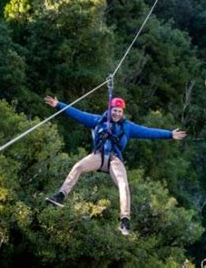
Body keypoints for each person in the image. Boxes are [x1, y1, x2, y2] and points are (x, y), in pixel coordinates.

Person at [44, 95, 186, 235]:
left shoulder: (128, 127)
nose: (117, 114)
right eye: (114, 110)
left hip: (114, 159)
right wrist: (59, 105)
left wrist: (169, 134)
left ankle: (124, 219)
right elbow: (78, 114)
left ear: (122, 113)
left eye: (119, 111)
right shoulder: (97, 120)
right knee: (78, 166)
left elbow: (149, 132)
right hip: (98, 156)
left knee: (123, 184)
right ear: (110, 110)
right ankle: (61, 195)